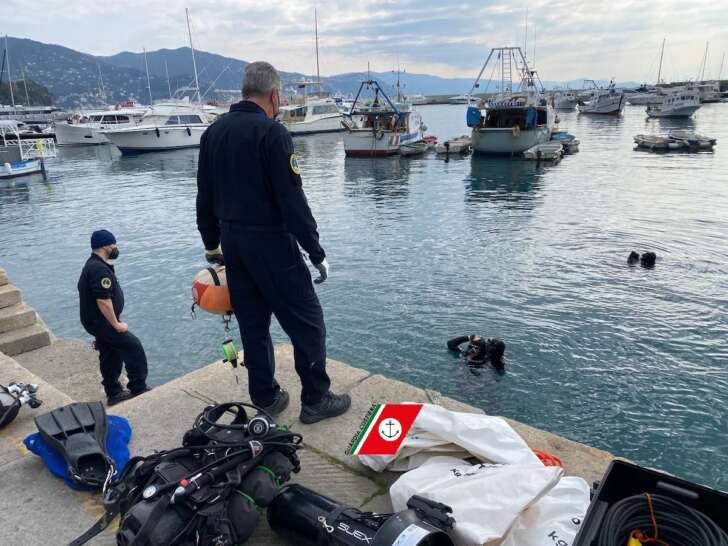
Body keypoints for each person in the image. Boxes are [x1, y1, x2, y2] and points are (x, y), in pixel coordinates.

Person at [196, 61, 351, 424]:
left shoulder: (212, 133)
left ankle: (265, 396)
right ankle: (315, 399)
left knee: (253, 323)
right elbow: (292, 200)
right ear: (275, 94)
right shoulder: (272, 133)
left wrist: (212, 245)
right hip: (272, 243)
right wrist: (316, 251)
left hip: (233, 244)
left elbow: (204, 196)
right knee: (308, 321)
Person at [78, 230, 149, 406]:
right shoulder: (98, 269)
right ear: (105, 246)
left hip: (96, 322)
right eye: (114, 244)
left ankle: (114, 392)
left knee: (111, 353)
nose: (116, 248)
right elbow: (103, 300)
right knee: (133, 347)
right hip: (101, 322)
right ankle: (138, 387)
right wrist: (116, 324)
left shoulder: (93, 265)